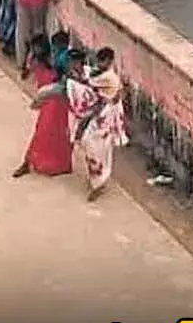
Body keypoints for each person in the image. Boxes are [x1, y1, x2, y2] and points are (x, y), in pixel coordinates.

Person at [51, 48, 118, 202]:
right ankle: (96, 179)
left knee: (99, 148)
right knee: (89, 146)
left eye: (72, 62)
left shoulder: (106, 78)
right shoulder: (88, 74)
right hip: (92, 116)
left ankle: (99, 183)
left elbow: (97, 93)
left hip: (103, 117)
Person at [14, 37, 73, 178]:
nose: (35, 50)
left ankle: (57, 164)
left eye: (37, 47)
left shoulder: (56, 60)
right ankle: (29, 161)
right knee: (42, 131)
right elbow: (24, 74)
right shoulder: (35, 60)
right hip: (47, 101)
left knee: (58, 133)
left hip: (57, 101)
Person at [85, 47, 128, 148]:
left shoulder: (108, 76)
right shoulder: (110, 74)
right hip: (110, 107)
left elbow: (89, 82)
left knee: (96, 139)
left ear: (108, 61)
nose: (98, 64)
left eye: (101, 61)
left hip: (108, 110)